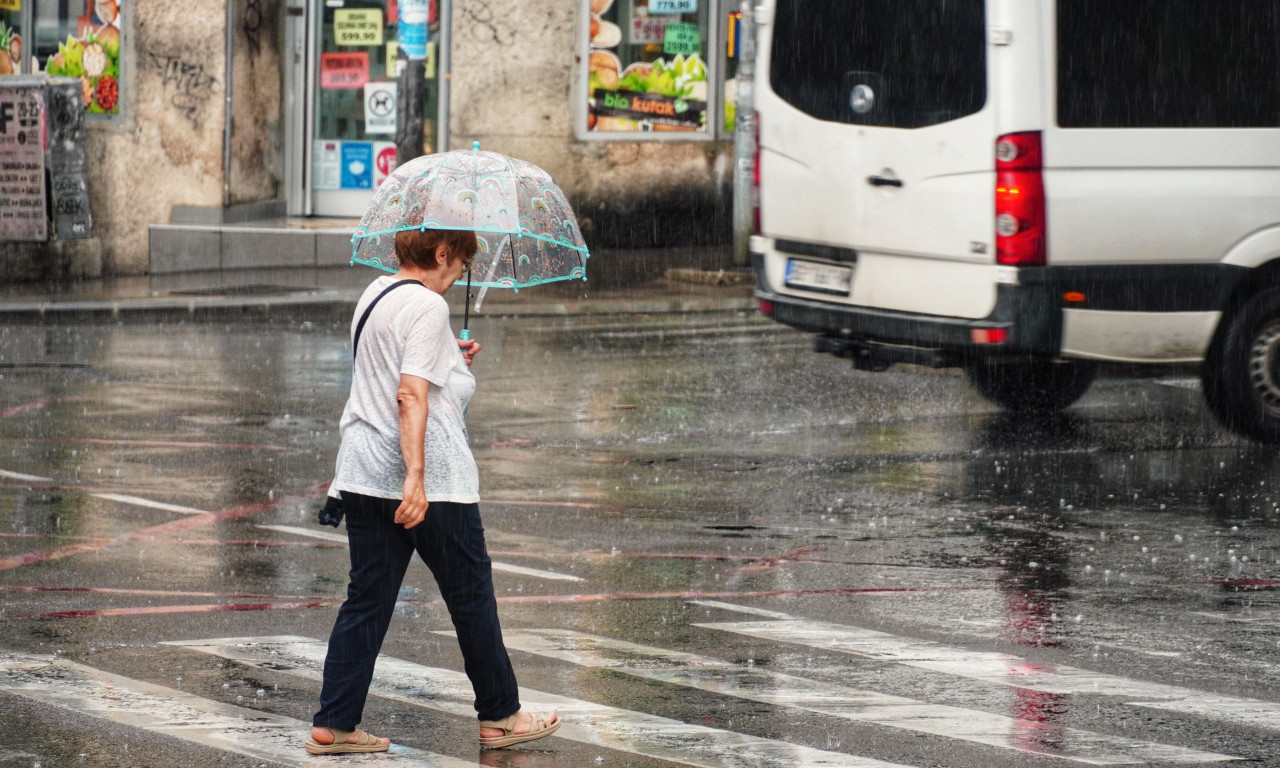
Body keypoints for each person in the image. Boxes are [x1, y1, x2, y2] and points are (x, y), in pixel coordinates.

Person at [306, 226, 560, 755]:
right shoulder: (427, 308)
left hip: (362, 474)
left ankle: (335, 722)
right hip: (430, 484)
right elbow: (409, 394)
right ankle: (501, 715)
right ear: (441, 253)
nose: (459, 276)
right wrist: (416, 477)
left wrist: (452, 361)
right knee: (471, 598)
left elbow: (395, 373)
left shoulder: (375, 294)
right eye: (460, 264)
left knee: (368, 599)